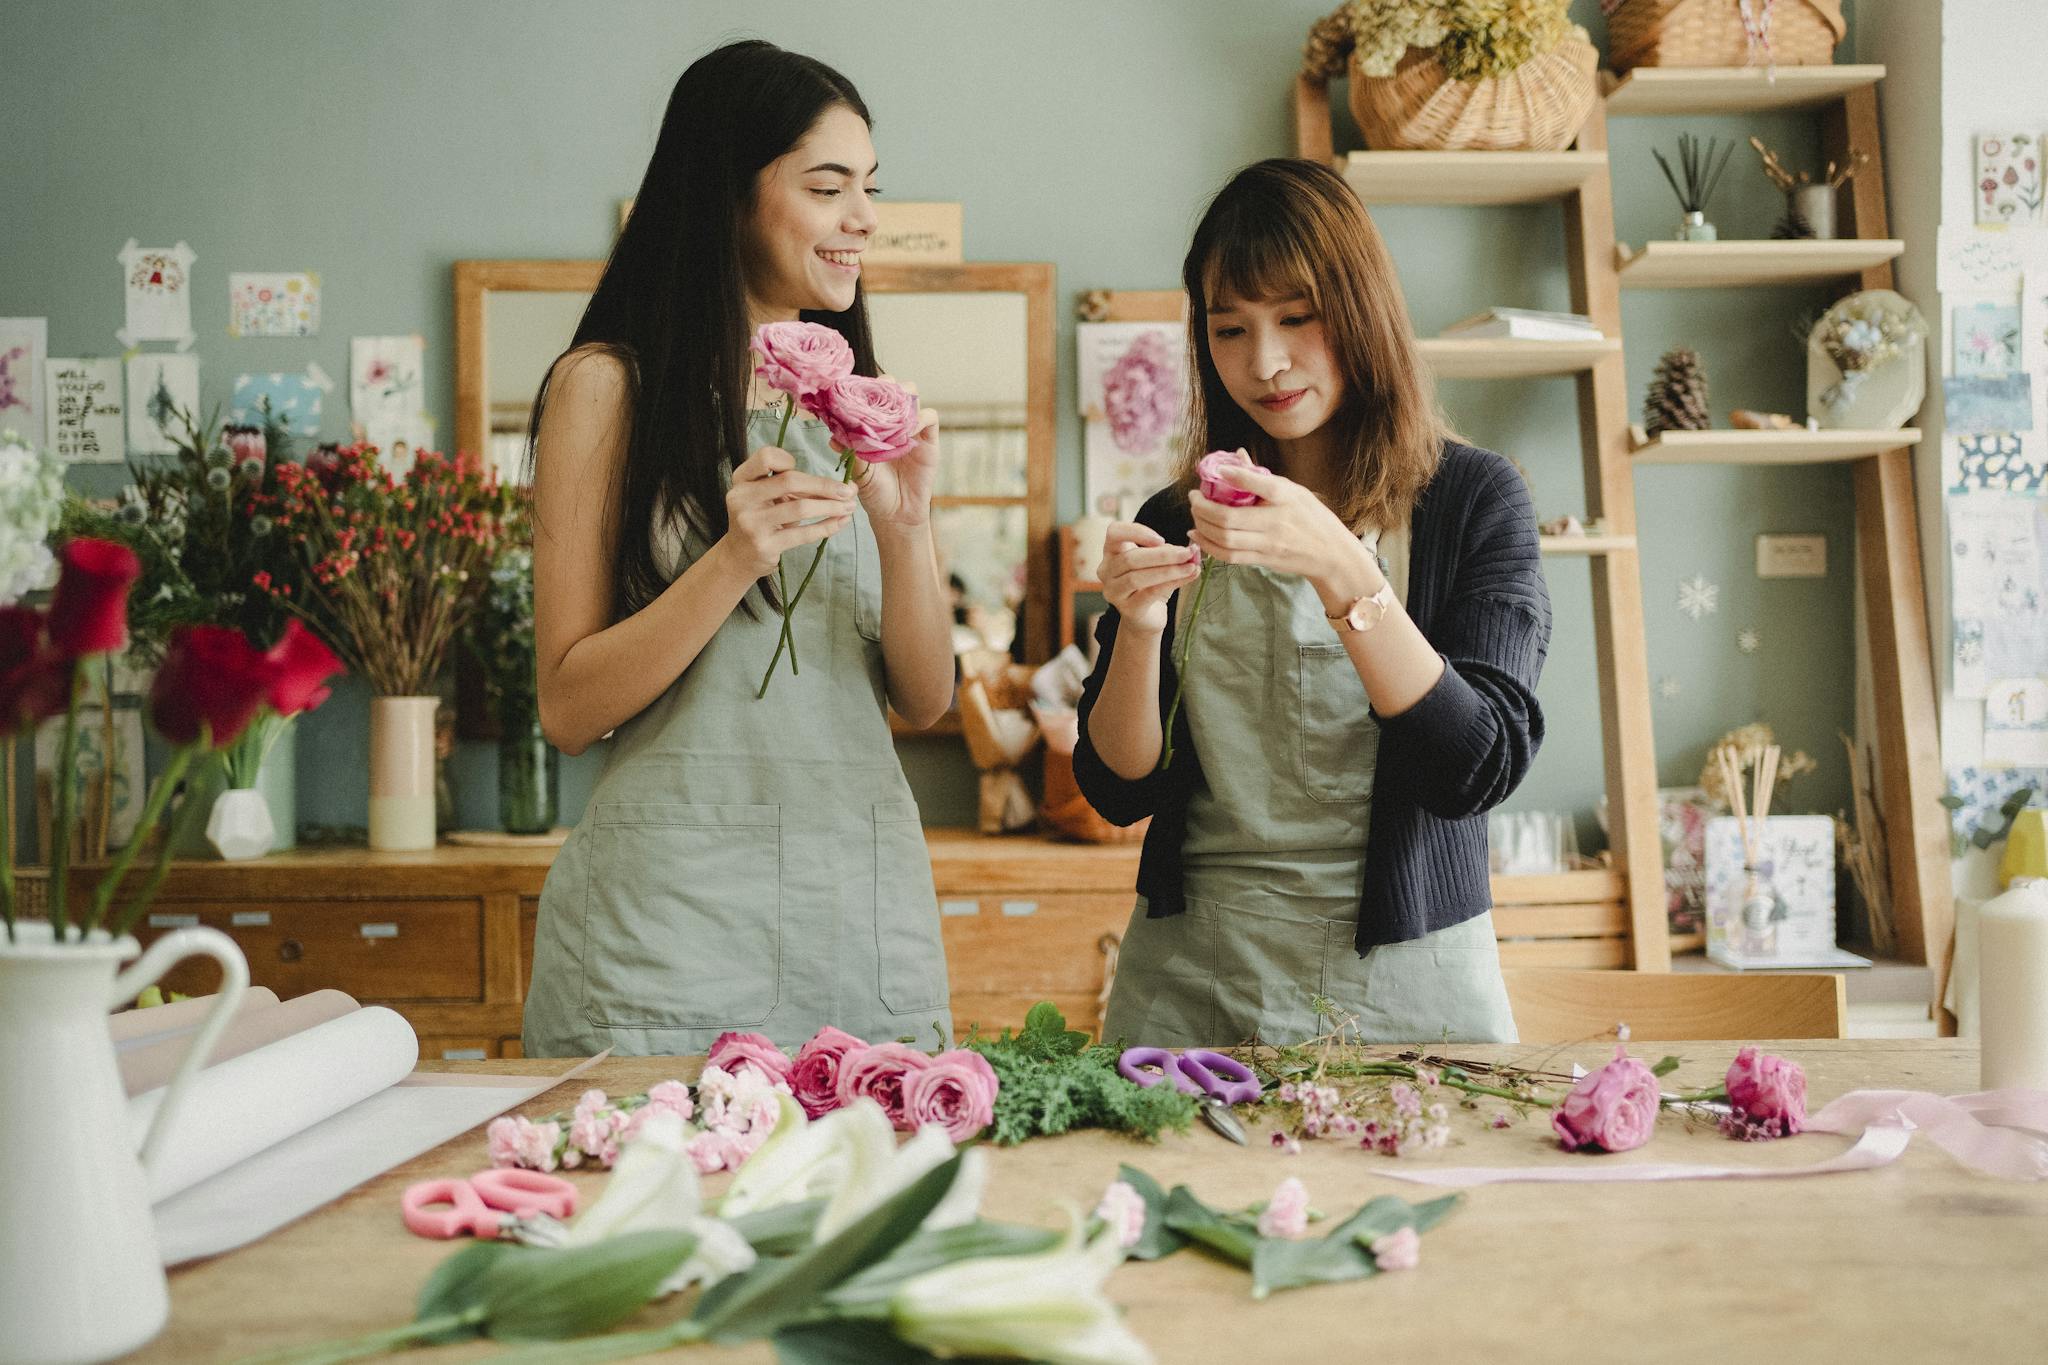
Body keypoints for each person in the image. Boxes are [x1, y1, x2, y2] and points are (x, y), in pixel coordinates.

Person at [521, 40, 955, 1057]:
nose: (864, 218)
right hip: (667, 933)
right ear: (728, 194)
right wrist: (729, 560)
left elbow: (925, 698)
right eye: (826, 185)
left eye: (869, 188)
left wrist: (904, 531)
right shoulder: (605, 388)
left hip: (857, 916)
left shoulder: (859, 409)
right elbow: (568, 707)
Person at [1077, 158, 1549, 1047]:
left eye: (1298, 319)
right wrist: (1139, 631)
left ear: (1363, 311)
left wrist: (1344, 570)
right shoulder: (1178, 516)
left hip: (1409, 976)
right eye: (1230, 330)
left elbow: (1475, 767)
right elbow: (1118, 787)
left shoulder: (1473, 499)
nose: (1266, 362)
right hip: (1192, 972)